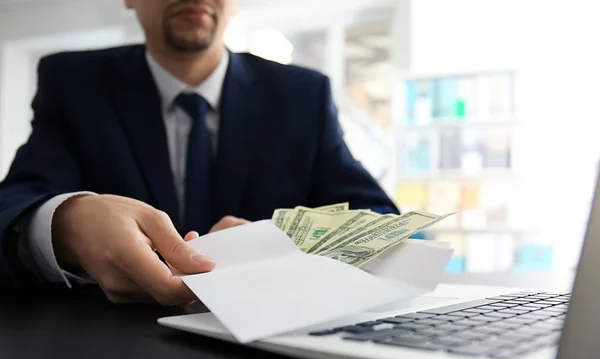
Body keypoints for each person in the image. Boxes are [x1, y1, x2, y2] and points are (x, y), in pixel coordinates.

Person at [0, 0, 399, 304]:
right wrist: (66, 225)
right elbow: (12, 205)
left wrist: (288, 241)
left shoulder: (302, 95)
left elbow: (383, 219)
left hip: (273, 342)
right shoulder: (74, 84)